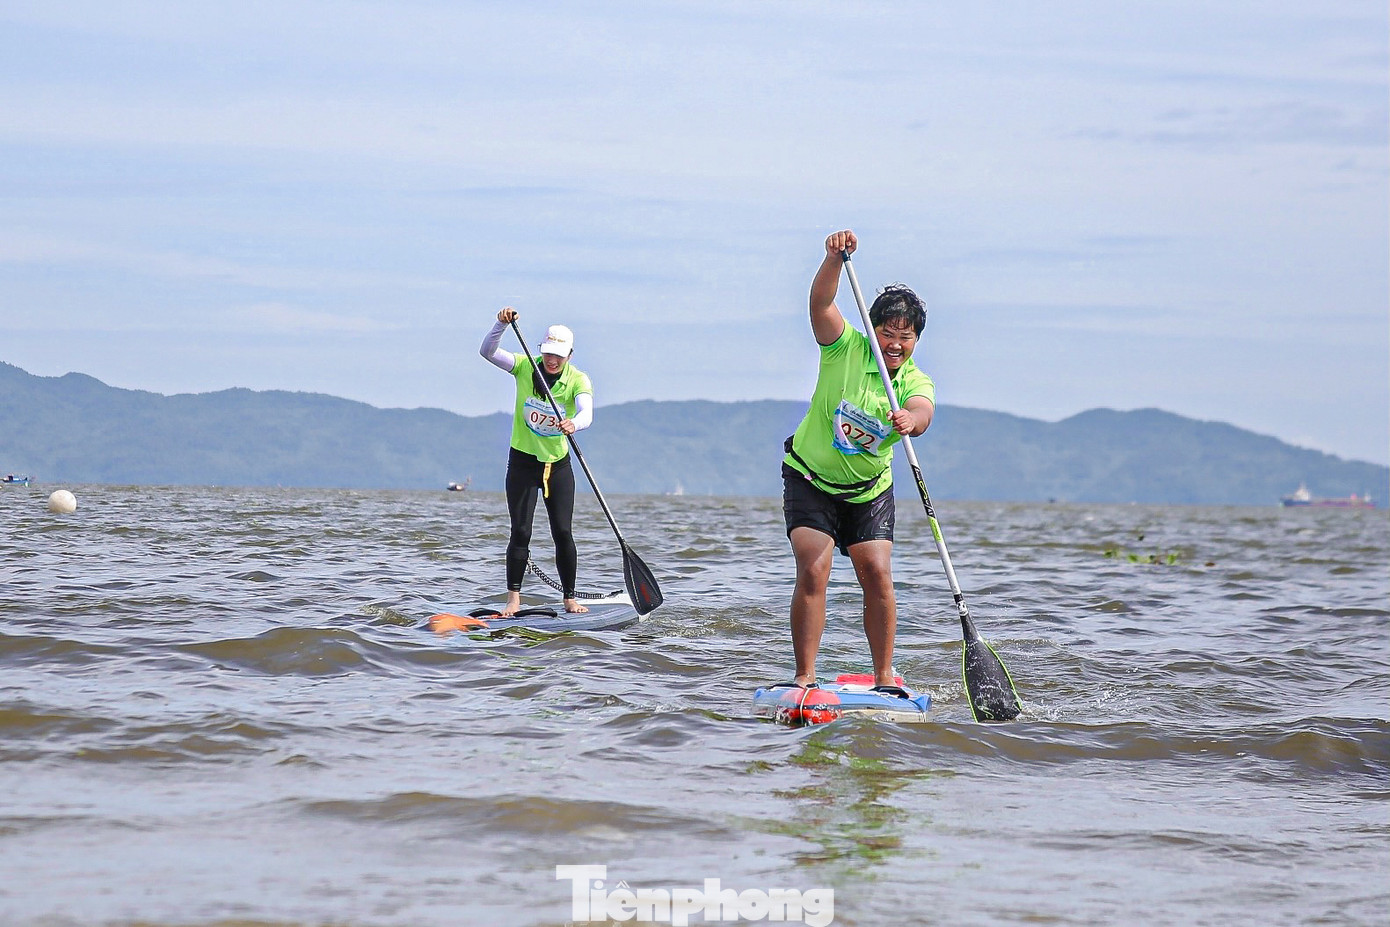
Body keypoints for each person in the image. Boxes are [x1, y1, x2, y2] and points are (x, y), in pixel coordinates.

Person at [782, 229, 935, 689]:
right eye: (887, 333)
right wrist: (833, 259)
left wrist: (911, 419)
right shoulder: (845, 346)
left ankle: (885, 676)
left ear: (915, 340)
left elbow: (923, 411)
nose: (895, 344)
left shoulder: (914, 380)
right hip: (810, 478)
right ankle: (805, 677)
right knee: (814, 568)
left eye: (905, 337)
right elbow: (820, 305)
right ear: (872, 330)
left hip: (869, 492)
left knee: (878, 574)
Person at [480, 307, 594, 615]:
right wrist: (500, 325)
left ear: (569, 355)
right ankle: (513, 600)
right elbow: (488, 352)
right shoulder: (524, 366)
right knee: (521, 532)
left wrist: (574, 424)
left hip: (557, 465)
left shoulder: (577, 380)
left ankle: (569, 598)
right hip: (522, 462)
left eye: (559, 355)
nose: (552, 360)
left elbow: (586, 412)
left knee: (563, 532)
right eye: (548, 353)